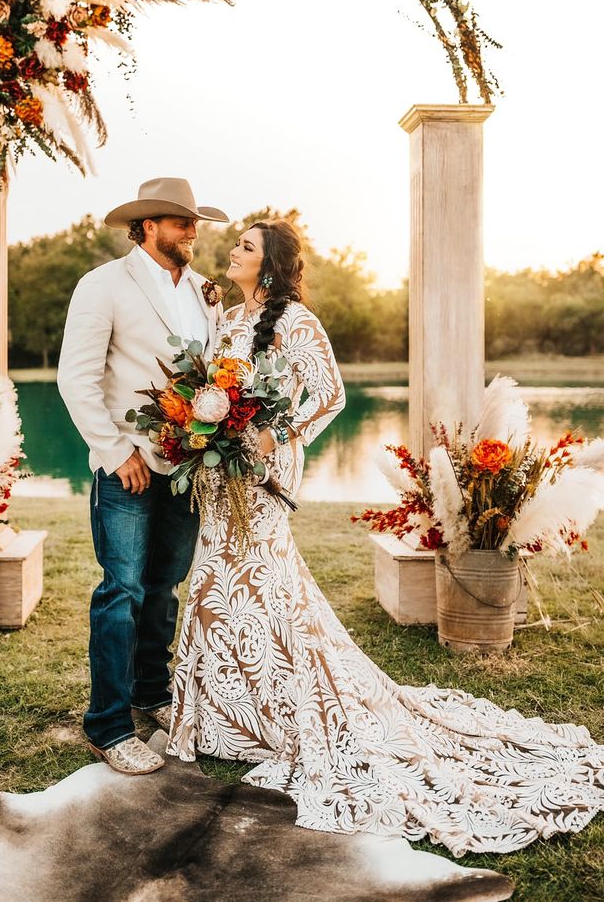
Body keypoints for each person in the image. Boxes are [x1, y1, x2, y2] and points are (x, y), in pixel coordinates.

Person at [167, 217, 604, 856]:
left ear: (273, 261)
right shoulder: (226, 320)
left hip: (263, 473)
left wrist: (274, 434)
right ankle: (224, 716)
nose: (233, 251)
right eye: (235, 243)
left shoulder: (296, 322)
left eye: (246, 246)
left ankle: (280, 707)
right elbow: (206, 386)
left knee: (258, 580)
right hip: (217, 472)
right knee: (212, 580)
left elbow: (331, 396)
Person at [57, 177, 229, 775]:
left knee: (165, 585)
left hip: (187, 467)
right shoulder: (102, 284)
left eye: (194, 221)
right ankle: (106, 725)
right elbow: (75, 379)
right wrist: (114, 452)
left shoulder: (206, 294)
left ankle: (151, 693)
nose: (194, 231)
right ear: (149, 226)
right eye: (182, 222)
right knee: (121, 591)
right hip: (126, 467)